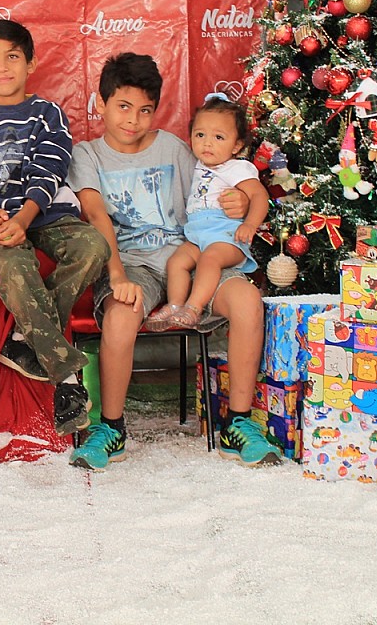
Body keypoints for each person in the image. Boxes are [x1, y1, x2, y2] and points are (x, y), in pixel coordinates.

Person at [66, 53, 282, 471]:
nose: (133, 120)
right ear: (101, 102)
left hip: (194, 256)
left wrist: (239, 201)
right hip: (133, 264)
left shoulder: (173, 147)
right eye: (123, 107)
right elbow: (96, 217)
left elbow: (218, 180)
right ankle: (110, 428)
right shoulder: (87, 155)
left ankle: (239, 423)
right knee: (119, 316)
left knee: (247, 302)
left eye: (145, 110)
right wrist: (115, 276)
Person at [0, 19, 109, 437]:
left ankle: (24, 336)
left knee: (92, 247)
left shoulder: (47, 113)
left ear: (31, 63)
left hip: (45, 213)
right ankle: (68, 379)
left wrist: (24, 217)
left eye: (12, 57)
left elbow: (50, 167)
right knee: (17, 272)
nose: (2, 68)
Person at [144, 93, 268, 331]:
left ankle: (194, 307)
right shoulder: (198, 164)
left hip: (226, 238)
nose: (207, 143)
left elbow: (259, 195)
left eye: (219, 137)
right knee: (177, 261)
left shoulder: (236, 168)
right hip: (197, 236)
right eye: (200, 135)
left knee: (210, 259)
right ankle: (175, 305)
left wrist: (250, 224)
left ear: (237, 145)